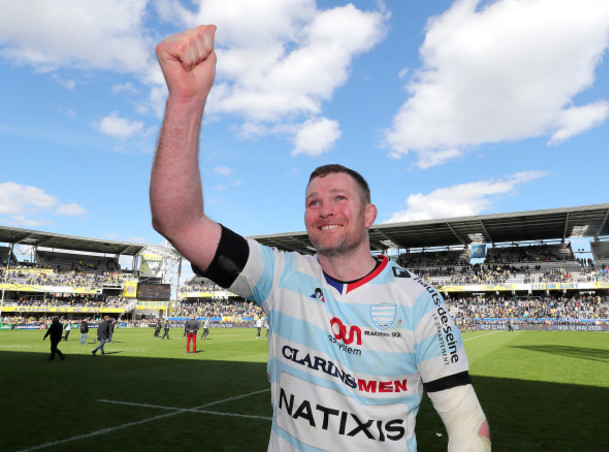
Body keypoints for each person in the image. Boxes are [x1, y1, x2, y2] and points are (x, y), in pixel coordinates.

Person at [151, 25, 490, 451]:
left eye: (339, 198)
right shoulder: (278, 276)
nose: (325, 209)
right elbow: (177, 222)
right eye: (313, 202)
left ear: (369, 214)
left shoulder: (418, 298)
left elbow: (466, 422)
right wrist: (186, 99)